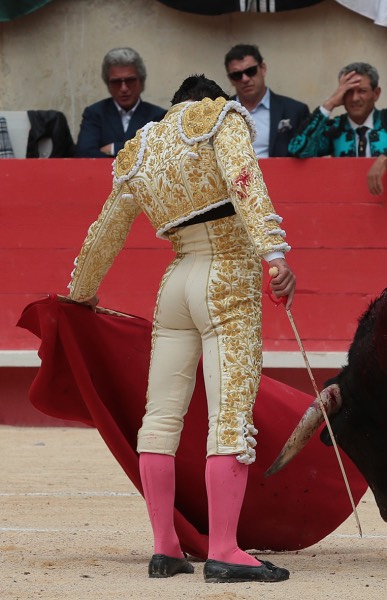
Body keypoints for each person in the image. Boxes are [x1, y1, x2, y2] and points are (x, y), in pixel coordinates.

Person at [65, 74, 295, 584]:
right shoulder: (220, 116)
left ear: (172, 107)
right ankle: (226, 550)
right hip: (226, 277)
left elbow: (107, 229)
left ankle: (166, 549)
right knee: (230, 415)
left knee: (161, 418)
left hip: (175, 284)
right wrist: (274, 257)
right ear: (211, 98)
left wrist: (81, 292)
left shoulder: (139, 148)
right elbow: (244, 180)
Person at [288, 62, 387, 195]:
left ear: (376, 93)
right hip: (344, 209)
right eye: (348, 92)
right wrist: (330, 104)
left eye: (362, 91)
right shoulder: (335, 128)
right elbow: (298, 149)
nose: (355, 98)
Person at [74, 48, 167, 158]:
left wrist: (114, 148)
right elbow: (84, 154)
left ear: (141, 82)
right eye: (116, 82)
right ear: (108, 85)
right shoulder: (94, 113)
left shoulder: (158, 116)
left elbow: (159, 154)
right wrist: (137, 151)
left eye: (130, 80)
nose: (123, 88)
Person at [225, 44, 310, 158]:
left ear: (263, 69)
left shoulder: (294, 110)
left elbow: (308, 154)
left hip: (279, 175)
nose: (245, 79)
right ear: (231, 79)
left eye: (250, 71)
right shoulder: (220, 112)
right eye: (237, 75)